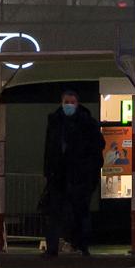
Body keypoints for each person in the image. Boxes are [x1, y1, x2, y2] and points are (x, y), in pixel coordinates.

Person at [41, 88, 104, 257]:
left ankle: (81, 245)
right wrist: (49, 171)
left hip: (79, 176)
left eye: (71, 102)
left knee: (79, 212)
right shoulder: (55, 122)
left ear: (77, 104)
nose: (68, 106)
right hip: (59, 175)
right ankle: (54, 247)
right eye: (66, 102)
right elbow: (49, 148)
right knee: (56, 212)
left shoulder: (87, 123)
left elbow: (97, 147)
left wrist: (89, 172)